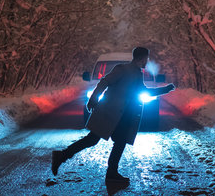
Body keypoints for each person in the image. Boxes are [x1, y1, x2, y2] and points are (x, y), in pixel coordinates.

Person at [51, 47, 175, 183]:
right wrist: (93, 99)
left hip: (123, 115)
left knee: (120, 141)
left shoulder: (138, 74)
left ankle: (111, 172)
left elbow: (144, 91)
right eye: (146, 59)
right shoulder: (122, 69)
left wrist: (165, 89)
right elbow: (104, 81)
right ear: (141, 58)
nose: (147, 62)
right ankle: (62, 156)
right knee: (92, 140)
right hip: (109, 112)